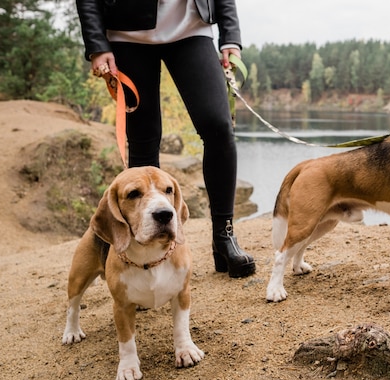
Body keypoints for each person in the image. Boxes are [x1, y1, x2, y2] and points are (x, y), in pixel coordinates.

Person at [76, 0, 256, 278]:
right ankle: (144, 255)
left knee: (218, 127)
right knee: (144, 141)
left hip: (192, 28)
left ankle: (224, 237)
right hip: (128, 34)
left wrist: (230, 36)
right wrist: (97, 44)